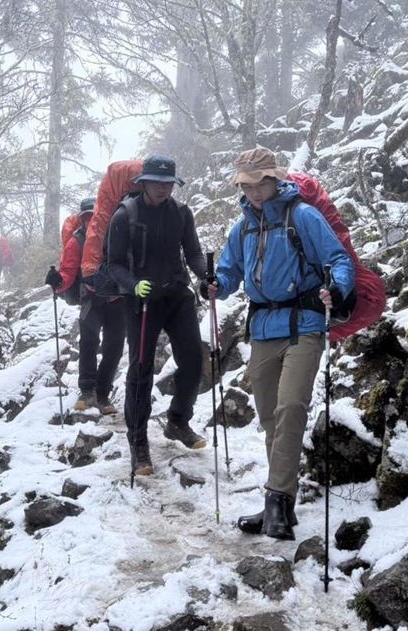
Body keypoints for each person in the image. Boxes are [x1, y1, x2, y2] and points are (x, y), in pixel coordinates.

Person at [201, 147, 355, 540]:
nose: (253, 191)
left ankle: (277, 503)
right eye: (246, 185)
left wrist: (337, 289)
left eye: (259, 183)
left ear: (275, 179)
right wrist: (215, 285)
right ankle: (280, 502)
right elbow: (230, 273)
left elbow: (338, 259)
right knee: (269, 417)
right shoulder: (243, 228)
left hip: (304, 323)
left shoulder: (301, 216)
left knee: (290, 407)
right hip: (263, 327)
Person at [105, 154, 208, 476]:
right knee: (140, 369)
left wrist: (207, 275)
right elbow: (114, 263)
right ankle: (138, 442)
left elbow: (192, 252)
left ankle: (178, 420)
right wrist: (134, 285)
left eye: (168, 183)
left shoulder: (181, 213)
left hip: (177, 295)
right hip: (142, 301)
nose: (163, 188)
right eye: (157, 182)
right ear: (143, 183)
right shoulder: (125, 215)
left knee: (193, 361)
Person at [48, 198, 126, 415]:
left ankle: (102, 393)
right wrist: (58, 281)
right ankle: (87, 390)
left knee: (114, 348)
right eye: (87, 217)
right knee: (89, 343)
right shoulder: (77, 242)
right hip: (91, 298)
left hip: (118, 299)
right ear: (82, 219)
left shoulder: (119, 234)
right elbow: (68, 271)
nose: (91, 221)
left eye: (95, 216)